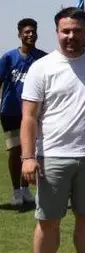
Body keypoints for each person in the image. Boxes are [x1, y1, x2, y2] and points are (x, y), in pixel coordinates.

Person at [21, 8, 85, 253]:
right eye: (65, 31)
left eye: (77, 30)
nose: (71, 36)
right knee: (48, 221)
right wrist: (27, 156)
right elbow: (29, 117)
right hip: (52, 156)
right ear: (57, 32)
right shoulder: (42, 67)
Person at [2, 18, 45, 209]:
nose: (30, 34)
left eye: (33, 31)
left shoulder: (43, 58)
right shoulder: (9, 58)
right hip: (11, 112)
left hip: (35, 112)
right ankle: (16, 191)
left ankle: (26, 188)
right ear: (19, 35)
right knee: (15, 151)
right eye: (26, 32)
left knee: (31, 151)